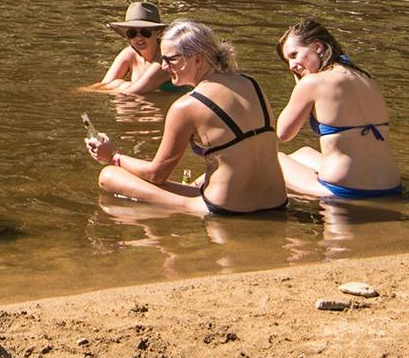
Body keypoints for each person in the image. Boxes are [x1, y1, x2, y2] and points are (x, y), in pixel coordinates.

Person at [85, 20, 285, 218]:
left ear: (197, 59)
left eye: (170, 59)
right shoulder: (251, 83)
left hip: (227, 208)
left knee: (110, 176)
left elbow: (157, 175)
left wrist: (113, 156)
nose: (163, 67)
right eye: (162, 59)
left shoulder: (187, 106)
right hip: (277, 202)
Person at [276, 17, 401, 201]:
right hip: (391, 184)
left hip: (345, 190)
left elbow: (283, 134)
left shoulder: (313, 83)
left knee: (274, 158)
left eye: (294, 55)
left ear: (317, 47)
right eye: (288, 61)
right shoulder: (366, 77)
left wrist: (300, 85)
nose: (292, 66)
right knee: (302, 153)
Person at [91, 0, 174, 94]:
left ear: (158, 31)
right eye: (132, 33)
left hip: (159, 106)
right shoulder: (129, 53)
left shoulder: (165, 59)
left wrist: (121, 85)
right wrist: (75, 94)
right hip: (139, 102)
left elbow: (135, 91)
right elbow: (103, 85)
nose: (138, 37)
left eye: (145, 32)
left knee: (122, 85)